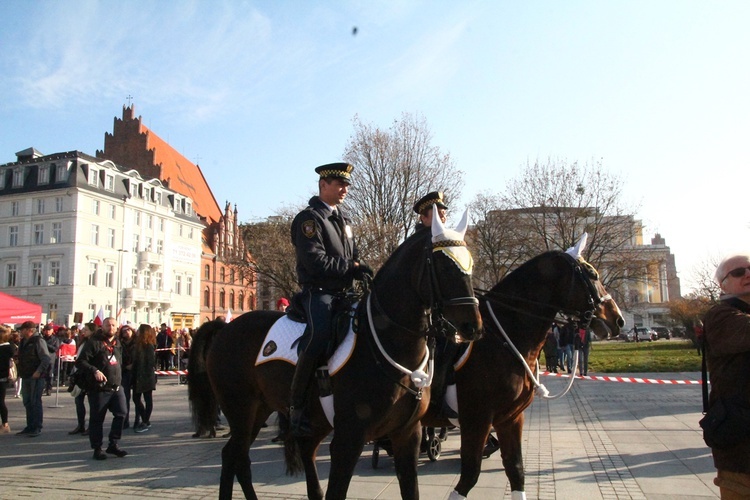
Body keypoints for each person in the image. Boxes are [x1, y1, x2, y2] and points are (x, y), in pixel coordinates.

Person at [288, 162, 372, 437]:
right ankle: (296, 408)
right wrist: (352, 267)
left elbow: (354, 255)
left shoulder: (344, 221)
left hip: (346, 294)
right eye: (339, 184)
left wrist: (361, 269)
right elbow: (315, 262)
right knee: (319, 336)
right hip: (319, 293)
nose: (345, 189)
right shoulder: (309, 220)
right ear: (323, 185)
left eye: (346, 184)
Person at [702, 253, 750, 497]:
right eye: (739, 272)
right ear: (723, 284)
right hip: (741, 443)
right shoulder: (721, 315)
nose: (748, 274)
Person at [412, 191, 457, 418]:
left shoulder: (443, 240)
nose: (443, 216)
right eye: (437, 213)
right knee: (443, 347)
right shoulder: (419, 243)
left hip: (439, 310)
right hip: (420, 313)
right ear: (424, 218)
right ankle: (437, 400)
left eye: (443, 212)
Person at [76, 317, 128, 460]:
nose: (110, 328)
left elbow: (120, 360)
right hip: (99, 389)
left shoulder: (118, 342)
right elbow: (80, 361)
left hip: (116, 386)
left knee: (122, 414)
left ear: (117, 328)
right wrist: (94, 370)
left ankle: (113, 444)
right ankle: (97, 448)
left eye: (113, 325)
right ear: (102, 327)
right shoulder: (94, 342)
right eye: (107, 325)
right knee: (97, 419)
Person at [16, 321, 50, 437]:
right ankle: (30, 425)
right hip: (26, 375)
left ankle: (37, 426)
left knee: (35, 401)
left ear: (29, 330)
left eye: (22, 329)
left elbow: (46, 358)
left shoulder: (38, 341)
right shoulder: (23, 341)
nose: (20, 331)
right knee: (27, 402)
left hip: (35, 376)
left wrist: (39, 371)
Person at [69, 323, 94, 436]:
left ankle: (92, 426)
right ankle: (81, 425)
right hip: (80, 374)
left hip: (90, 375)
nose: (83, 331)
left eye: (86, 329)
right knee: (78, 400)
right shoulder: (83, 342)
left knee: (92, 403)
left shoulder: (94, 342)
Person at [132, 324, 157, 433]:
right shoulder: (138, 345)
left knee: (147, 399)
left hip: (146, 376)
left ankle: (145, 421)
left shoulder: (149, 346)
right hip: (138, 375)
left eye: (139, 330)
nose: (137, 332)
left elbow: (150, 362)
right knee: (136, 399)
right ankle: (144, 418)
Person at [0, 325, 18, 433]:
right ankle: (4, 424)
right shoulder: (8, 347)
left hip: (1, 377)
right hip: (3, 376)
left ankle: (5, 424)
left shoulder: (6, 348)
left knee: (1, 401)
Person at [118, 324, 135, 430]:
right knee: (125, 397)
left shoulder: (137, 343)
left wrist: (134, 365)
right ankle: (125, 420)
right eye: (124, 331)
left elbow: (140, 356)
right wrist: (124, 366)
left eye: (128, 330)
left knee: (137, 399)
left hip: (136, 372)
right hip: (124, 372)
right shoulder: (120, 344)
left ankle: (140, 420)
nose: (126, 332)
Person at [41, 324, 59, 396]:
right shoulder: (42, 338)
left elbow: (55, 349)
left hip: (51, 359)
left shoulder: (55, 339)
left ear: (52, 331)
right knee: (42, 374)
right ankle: (42, 388)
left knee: (50, 374)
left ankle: (49, 389)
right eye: (46, 330)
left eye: (49, 330)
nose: (47, 332)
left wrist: (46, 345)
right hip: (42, 358)